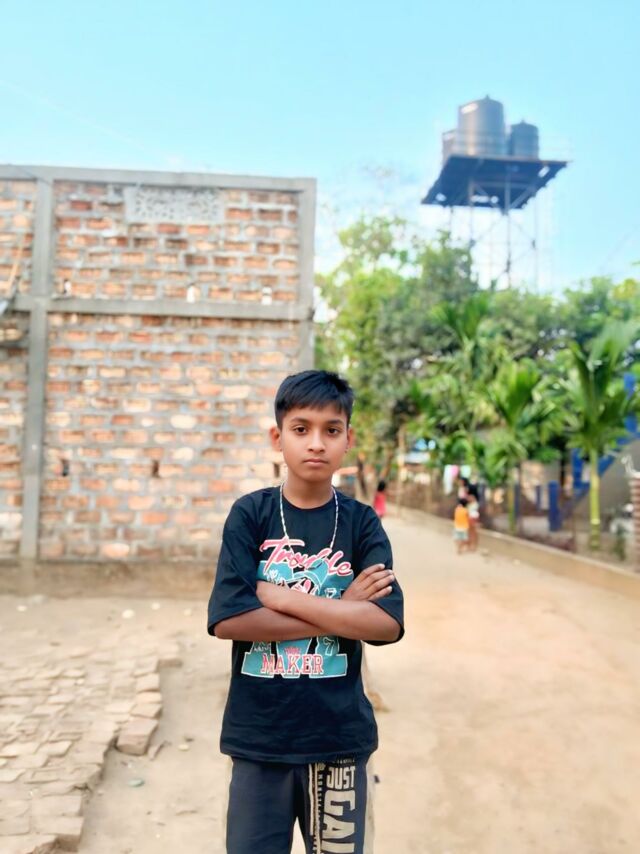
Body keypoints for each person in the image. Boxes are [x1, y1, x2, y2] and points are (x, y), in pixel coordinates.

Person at [207, 370, 404, 854]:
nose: (316, 443)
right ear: (278, 438)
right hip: (260, 740)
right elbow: (230, 620)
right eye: (301, 429)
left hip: (339, 741)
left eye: (331, 430)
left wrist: (284, 597)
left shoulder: (360, 523)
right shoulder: (250, 515)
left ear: (348, 439)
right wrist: (342, 608)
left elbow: (385, 624)